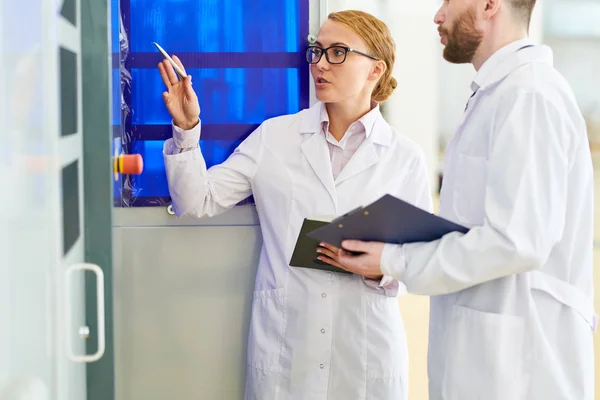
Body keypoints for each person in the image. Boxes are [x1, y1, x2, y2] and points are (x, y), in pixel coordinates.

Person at [159, 10, 432, 400]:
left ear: (375, 70)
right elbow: (196, 200)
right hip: (288, 353)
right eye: (317, 51)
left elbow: (420, 262)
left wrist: (380, 267)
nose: (320, 63)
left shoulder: (404, 157)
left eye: (337, 52)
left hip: (365, 356)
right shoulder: (276, 137)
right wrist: (187, 131)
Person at [331, 1, 596, 399]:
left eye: (448, 2)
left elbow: (518, 241)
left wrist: (392, 260)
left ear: (489, 5)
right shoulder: (498, 95)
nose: (438, 15)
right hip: (488, 357)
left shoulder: (529, 95)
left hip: (521, 367)